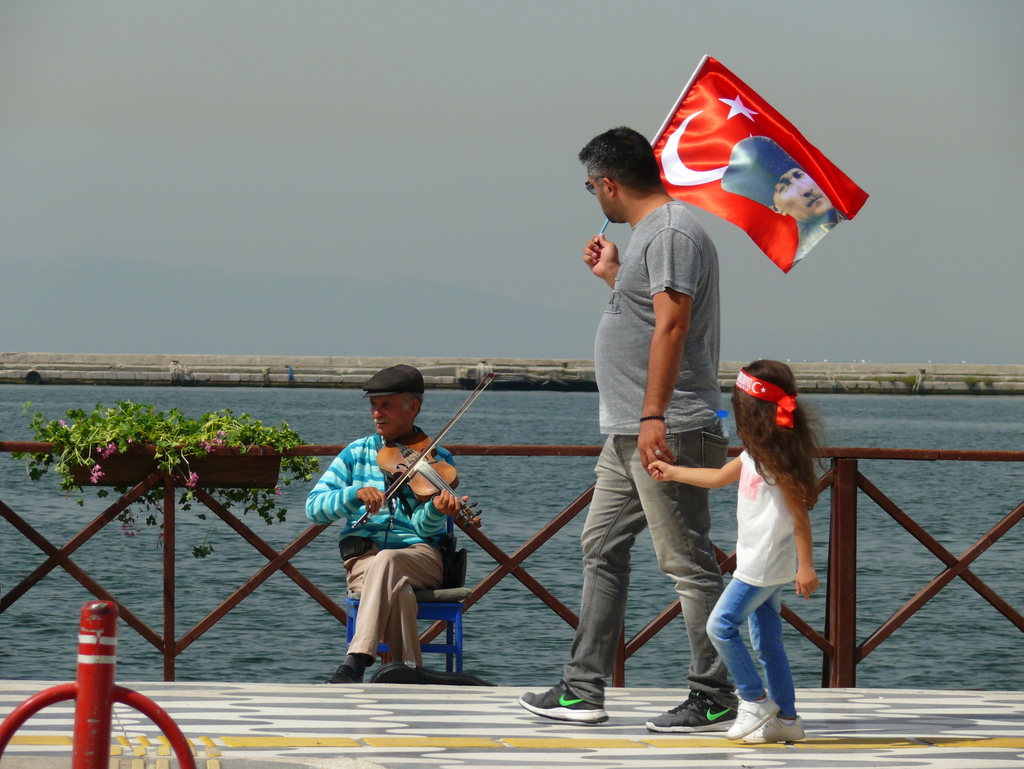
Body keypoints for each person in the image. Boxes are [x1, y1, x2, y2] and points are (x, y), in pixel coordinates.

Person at [519, 126, 738, 730]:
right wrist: (613, 277)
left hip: (667, 427)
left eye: (591, 187)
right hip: (627, 431)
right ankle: (582, 688)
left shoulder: (669, 232)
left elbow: (673, 326)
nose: (593, 197)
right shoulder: (648, 237)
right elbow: (646, 316)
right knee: (601, 548)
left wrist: (653, 416)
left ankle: (715, 691)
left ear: (609, 183)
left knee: (687, 561)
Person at [648, 360, 822, 743]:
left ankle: (754, 700)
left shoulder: (777, 460)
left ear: (751, 410)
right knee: (768, 642)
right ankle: (788, 721)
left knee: (719, 625)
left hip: (761, 565)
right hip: (759, 560)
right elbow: (716, 478)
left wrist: (806, 567)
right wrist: (672, 472)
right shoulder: (755, 454)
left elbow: (800, 519)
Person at [306, 364, 466, 683]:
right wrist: (353, 493)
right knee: (399, 590)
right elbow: (314, 508)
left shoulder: (437, 458)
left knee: (389, 559)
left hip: (421, 557)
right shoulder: (356, 453)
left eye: (386, 405)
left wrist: (437, 510)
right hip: (364, 561)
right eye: (374, 406)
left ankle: (357, 658)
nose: (376, 414)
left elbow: (424, 530)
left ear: (413, 408)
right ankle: (409, 674)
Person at [721, 136, 845, 261]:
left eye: (799, 175)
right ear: (775, 207)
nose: (806, 190)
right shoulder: (800, 256)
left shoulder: (850, 212)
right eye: (785, 187)